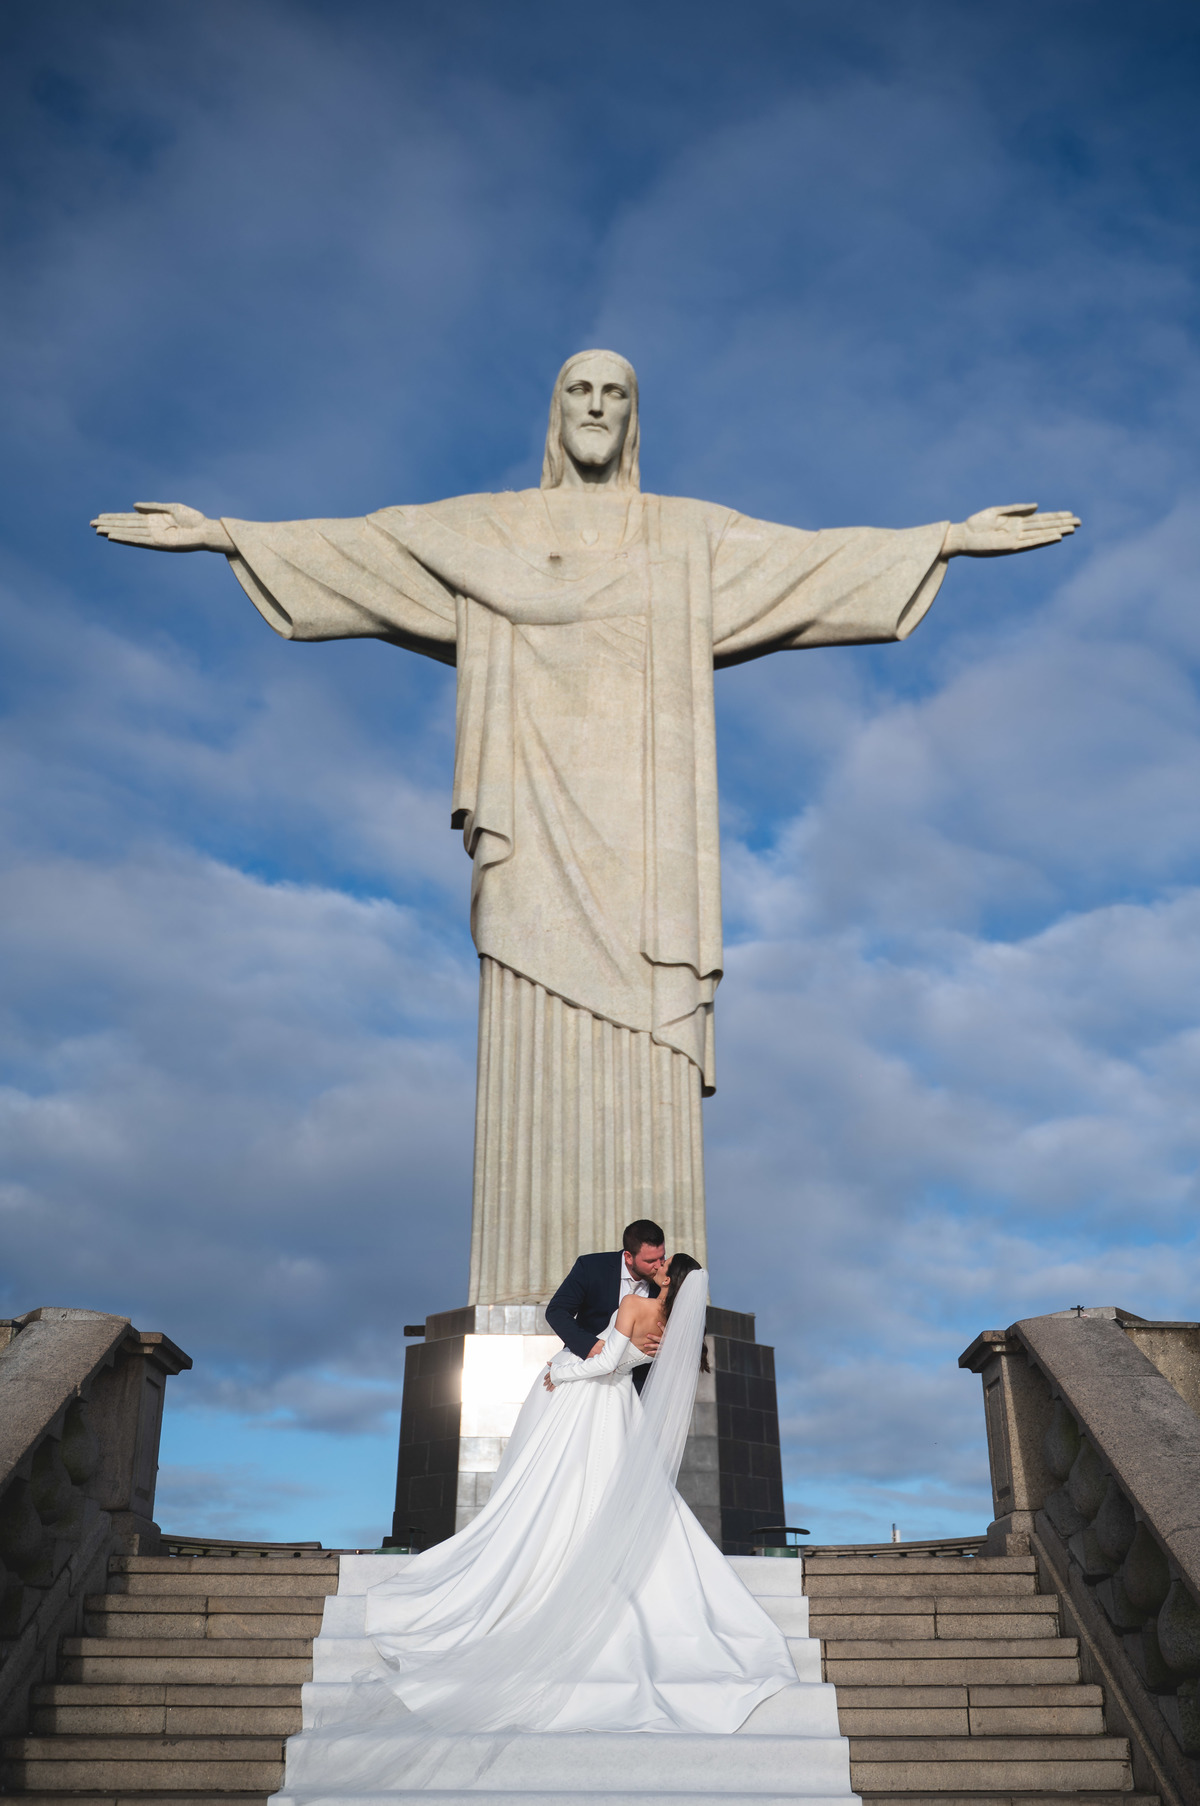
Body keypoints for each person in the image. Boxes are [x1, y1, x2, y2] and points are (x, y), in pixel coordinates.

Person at [91, 354, 1080, 1307]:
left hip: (650, 845)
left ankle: (653, 1298)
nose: (598, 406)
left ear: (633, 417)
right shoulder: (490, 530)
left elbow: (812, 560)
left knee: (649, 1037)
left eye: (616, 392)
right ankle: (532, 1288)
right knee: (528, 1009)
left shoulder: (688, 537)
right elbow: (370, 546)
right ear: (557, 414)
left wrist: (944, 537)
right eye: (580, 391)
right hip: (530, 819)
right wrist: (225, 534)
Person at [278, 1259, 795, 1779]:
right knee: (604, 1492)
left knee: (562, 1487)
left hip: (591, 1399)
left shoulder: (637, 1305)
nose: (657, 1266)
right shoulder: (672, 1324)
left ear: (668, 1279)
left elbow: (605, 1361)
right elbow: (631, 1363)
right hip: (621, 1411)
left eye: (663, 1264)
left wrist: (558, 1371)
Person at [545, 1218, 667, 1372]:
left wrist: (670, 1343)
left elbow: (693, 1324)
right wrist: (588, 1345)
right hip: (587, 1371)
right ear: (629, 1257)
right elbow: (557, 1311)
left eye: (662, 1257)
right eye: (650, 1261)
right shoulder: (590, 1267)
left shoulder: (667, 1278)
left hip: (640, 1381)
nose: (659, 1265)